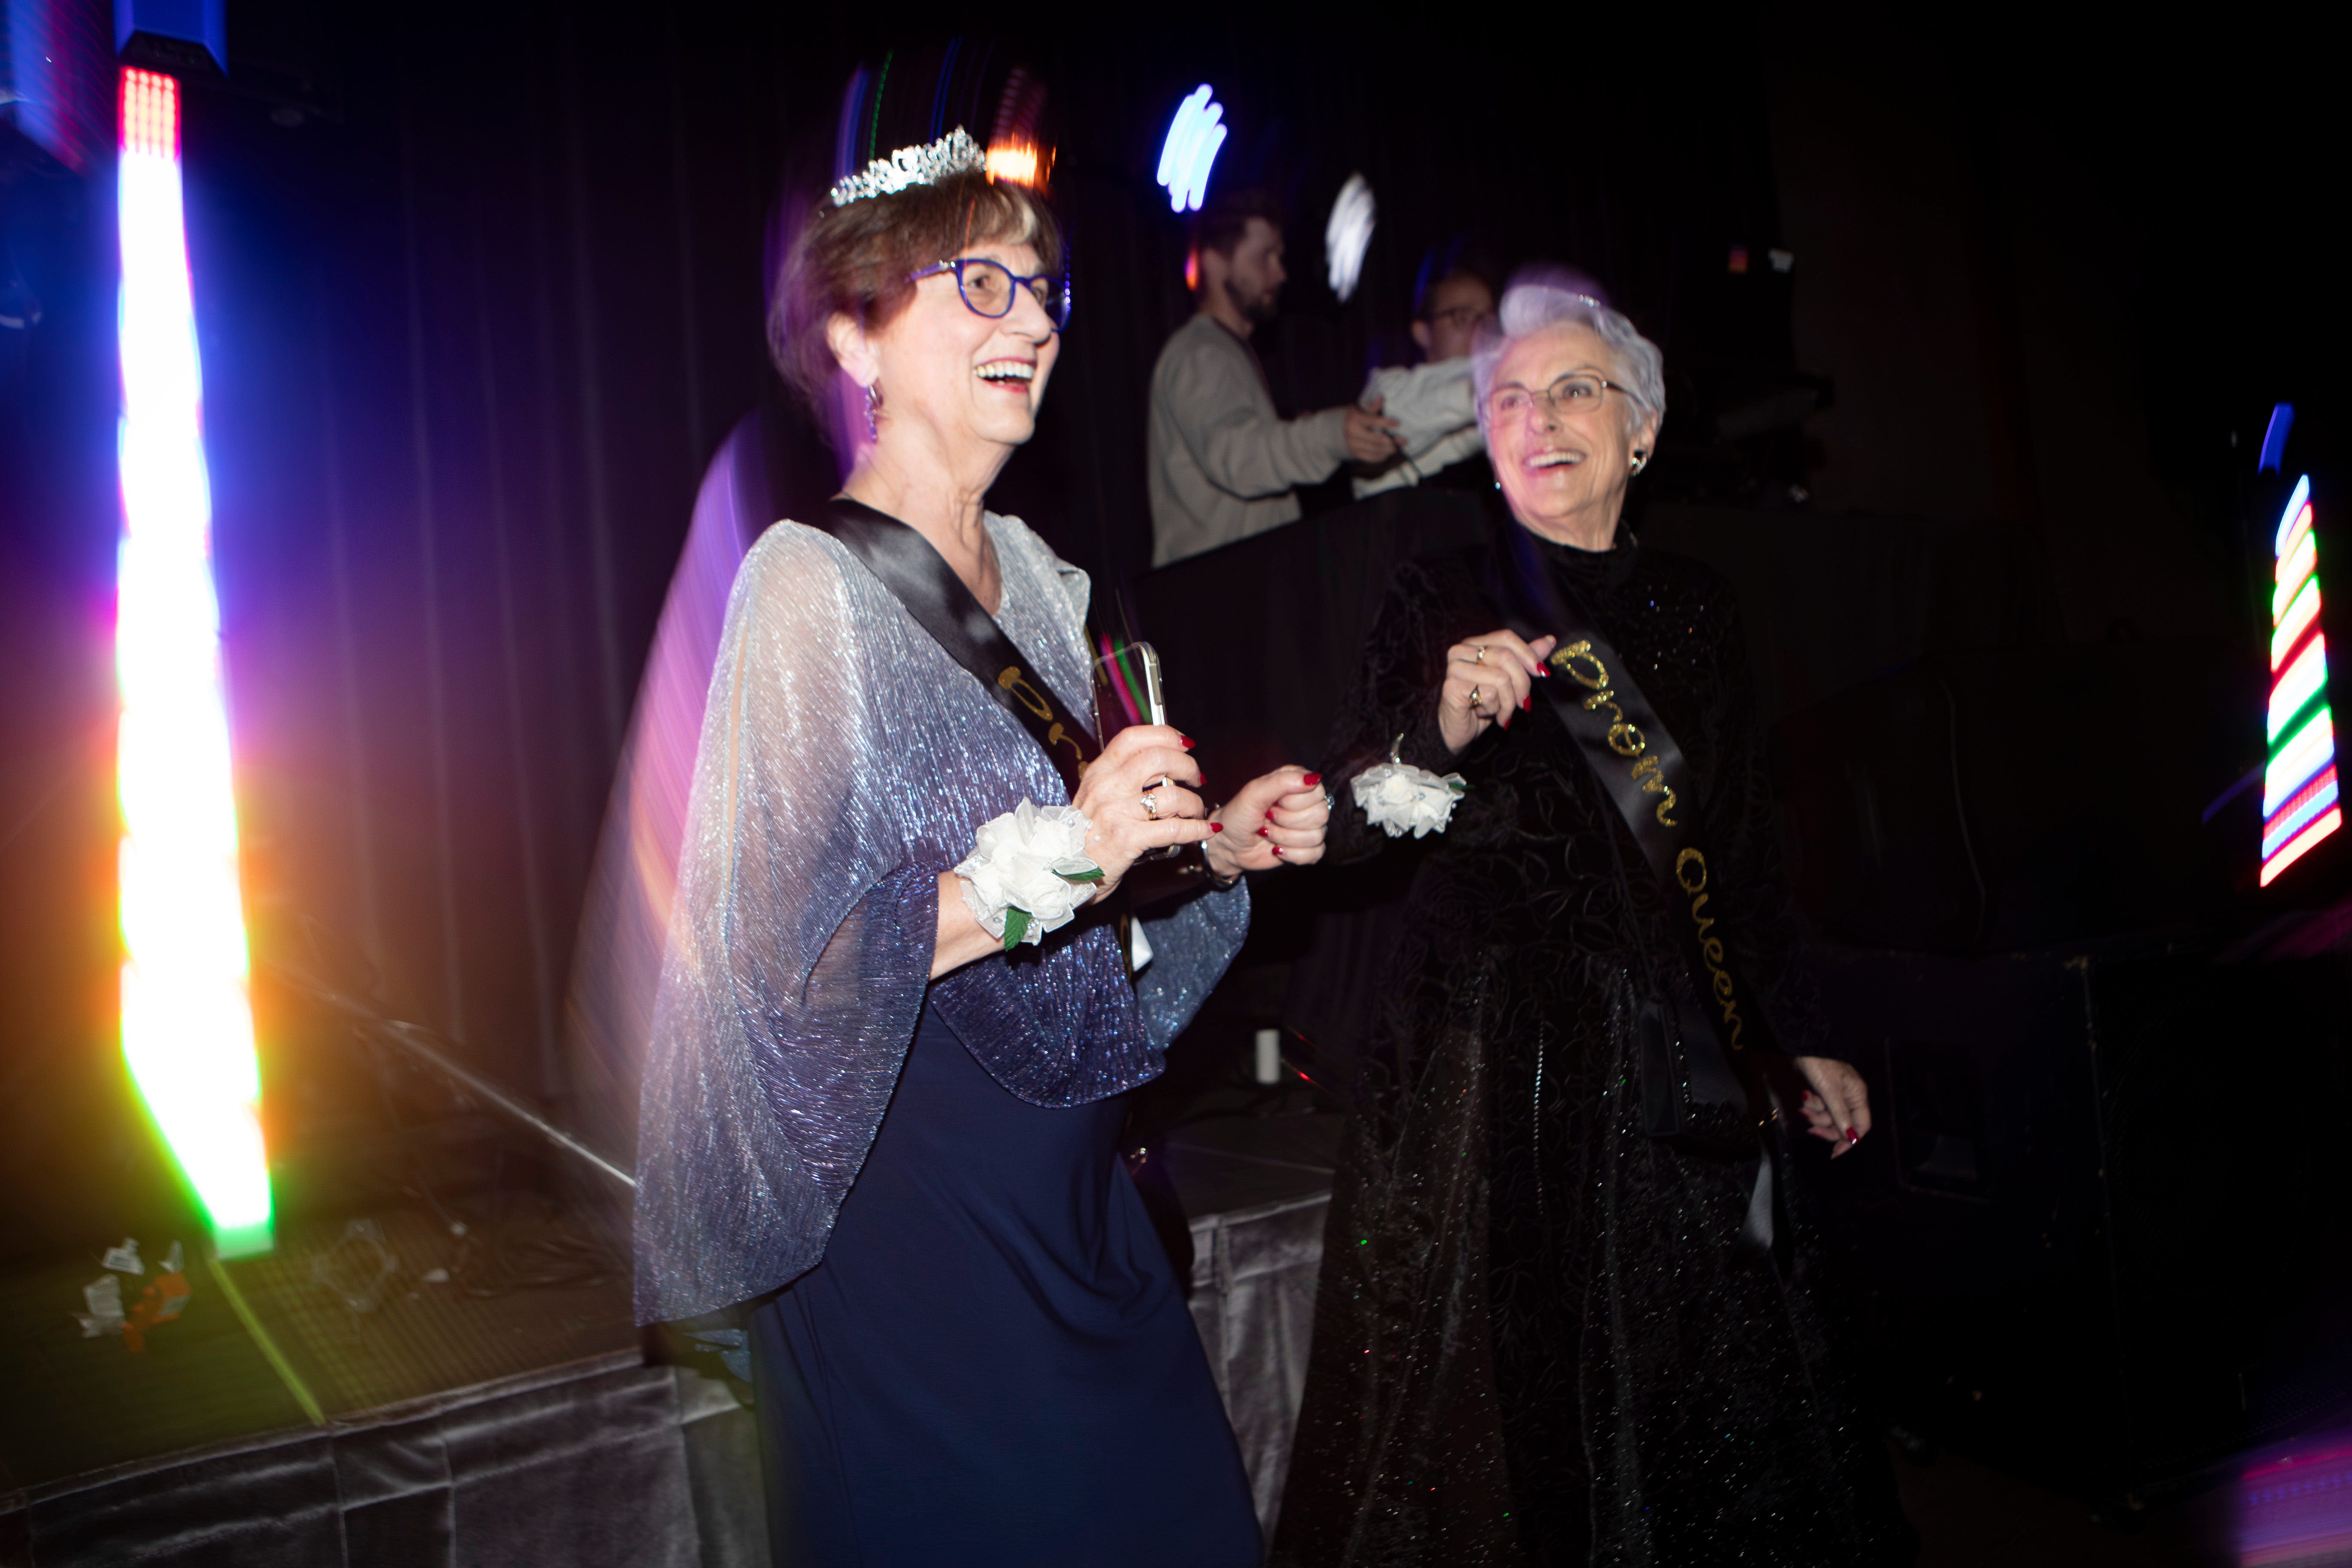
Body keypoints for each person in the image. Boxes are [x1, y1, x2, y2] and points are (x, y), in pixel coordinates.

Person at [631, 131, 1332, 1567]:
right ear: (856, 339)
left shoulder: (1051, 581)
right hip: (910, 1199)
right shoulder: (806, 586)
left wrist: (1209, 853)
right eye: (976, 283)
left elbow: (1093, 905)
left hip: (1078, 1185)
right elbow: (781, 969)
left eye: (1042, 288)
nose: (1028, 319)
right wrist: (1068, 855)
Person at [1272, 272, 1911, 1565]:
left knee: (1713, 1434)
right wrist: (1439, 724)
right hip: (1491, 1084)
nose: (1539, 416)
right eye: (1509, 396)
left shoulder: (1701, 608)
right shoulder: (1439, 592)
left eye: (1575, 389)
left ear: (1643, 427)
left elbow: (1741, 862)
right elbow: (1332, 828)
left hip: (1682, 1075)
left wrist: (1793, 1041)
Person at [1148, 188, 1400, 566]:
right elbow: (1241, 458)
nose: (1281, 273)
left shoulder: (1226, 351)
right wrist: (1333, 435)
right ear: (1215, 263)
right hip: (1215, 600)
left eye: (1279, 257)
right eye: (1265, 257)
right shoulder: (1202, 352)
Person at [1351, 264, 1495, 497]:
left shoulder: (1492, 386)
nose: (1480, 329)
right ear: (1423, 333)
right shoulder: (1388, 390)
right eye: (1463, 317)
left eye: (1488, 318)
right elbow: (1400, 415)